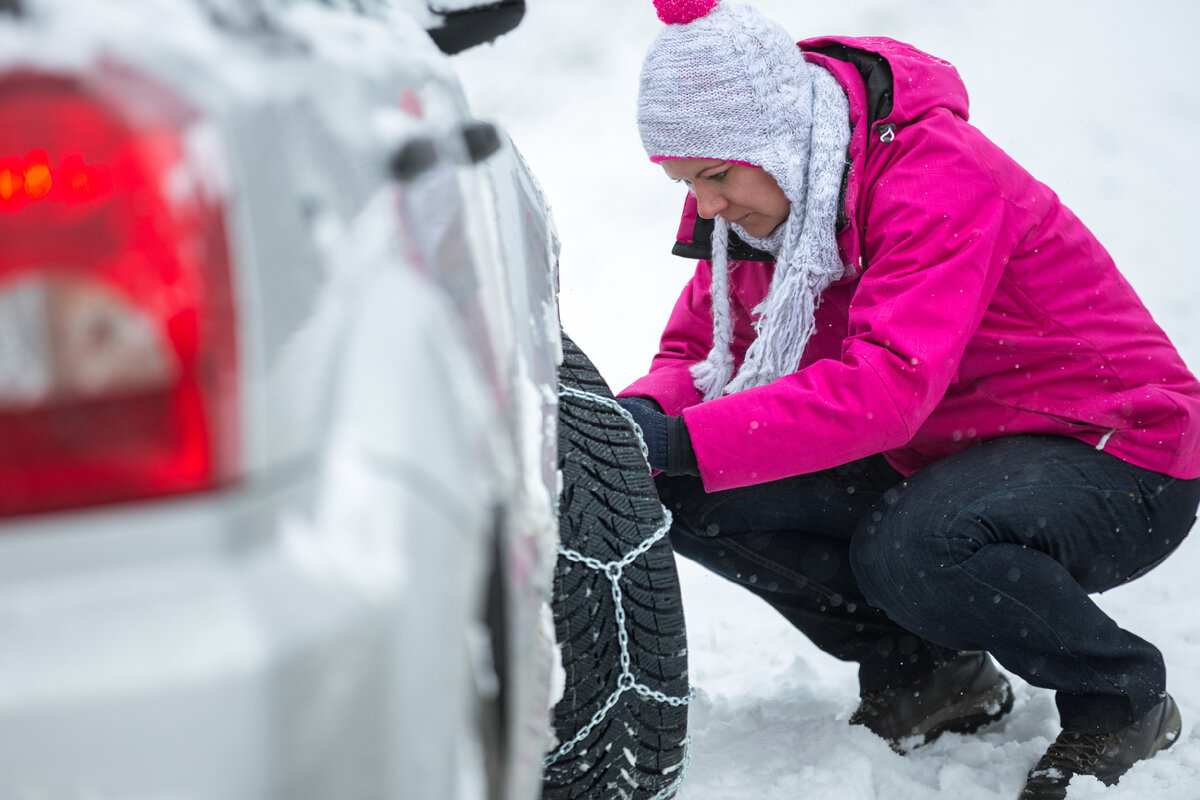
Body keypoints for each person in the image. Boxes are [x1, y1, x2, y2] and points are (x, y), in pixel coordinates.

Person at [612, 1, 1200, 797]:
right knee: (666, 484)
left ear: (776, 138)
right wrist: (635, 425)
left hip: (1116, 452)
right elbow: (699, 355)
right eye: (686, 183)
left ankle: (1120, 694)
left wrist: (681, 438)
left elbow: (885, 388)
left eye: (715, 176)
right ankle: (927, 676)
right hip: (944, 456)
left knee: (916, 546)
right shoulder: (766, 209)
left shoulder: (936, 174)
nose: (706, 206)